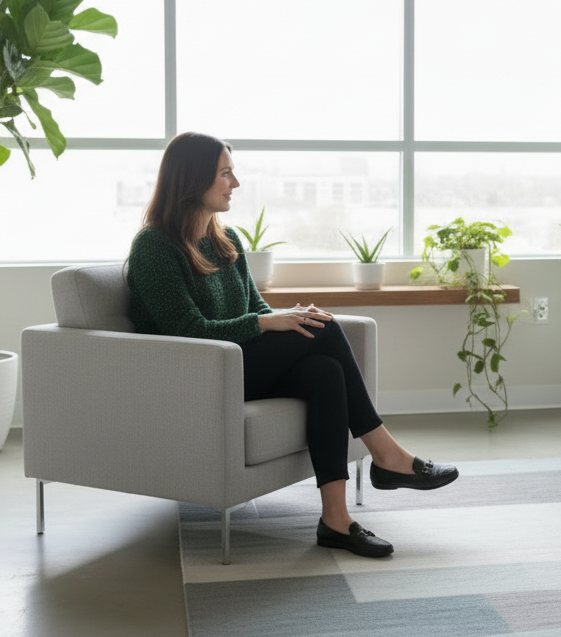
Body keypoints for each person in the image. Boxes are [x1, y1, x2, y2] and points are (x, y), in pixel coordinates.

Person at [126, 132, 457, 558]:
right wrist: (268, 321)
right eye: (225, 173)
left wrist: (285, 317)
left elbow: (255, 307)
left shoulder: (226, 241)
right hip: (196, 375)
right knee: (324, 328)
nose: (235, 183)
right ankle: (386, 455)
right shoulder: (153, 246)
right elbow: (190, 330)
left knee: (325, 369)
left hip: (237, 366)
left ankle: (335, 520)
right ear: (191, 179)